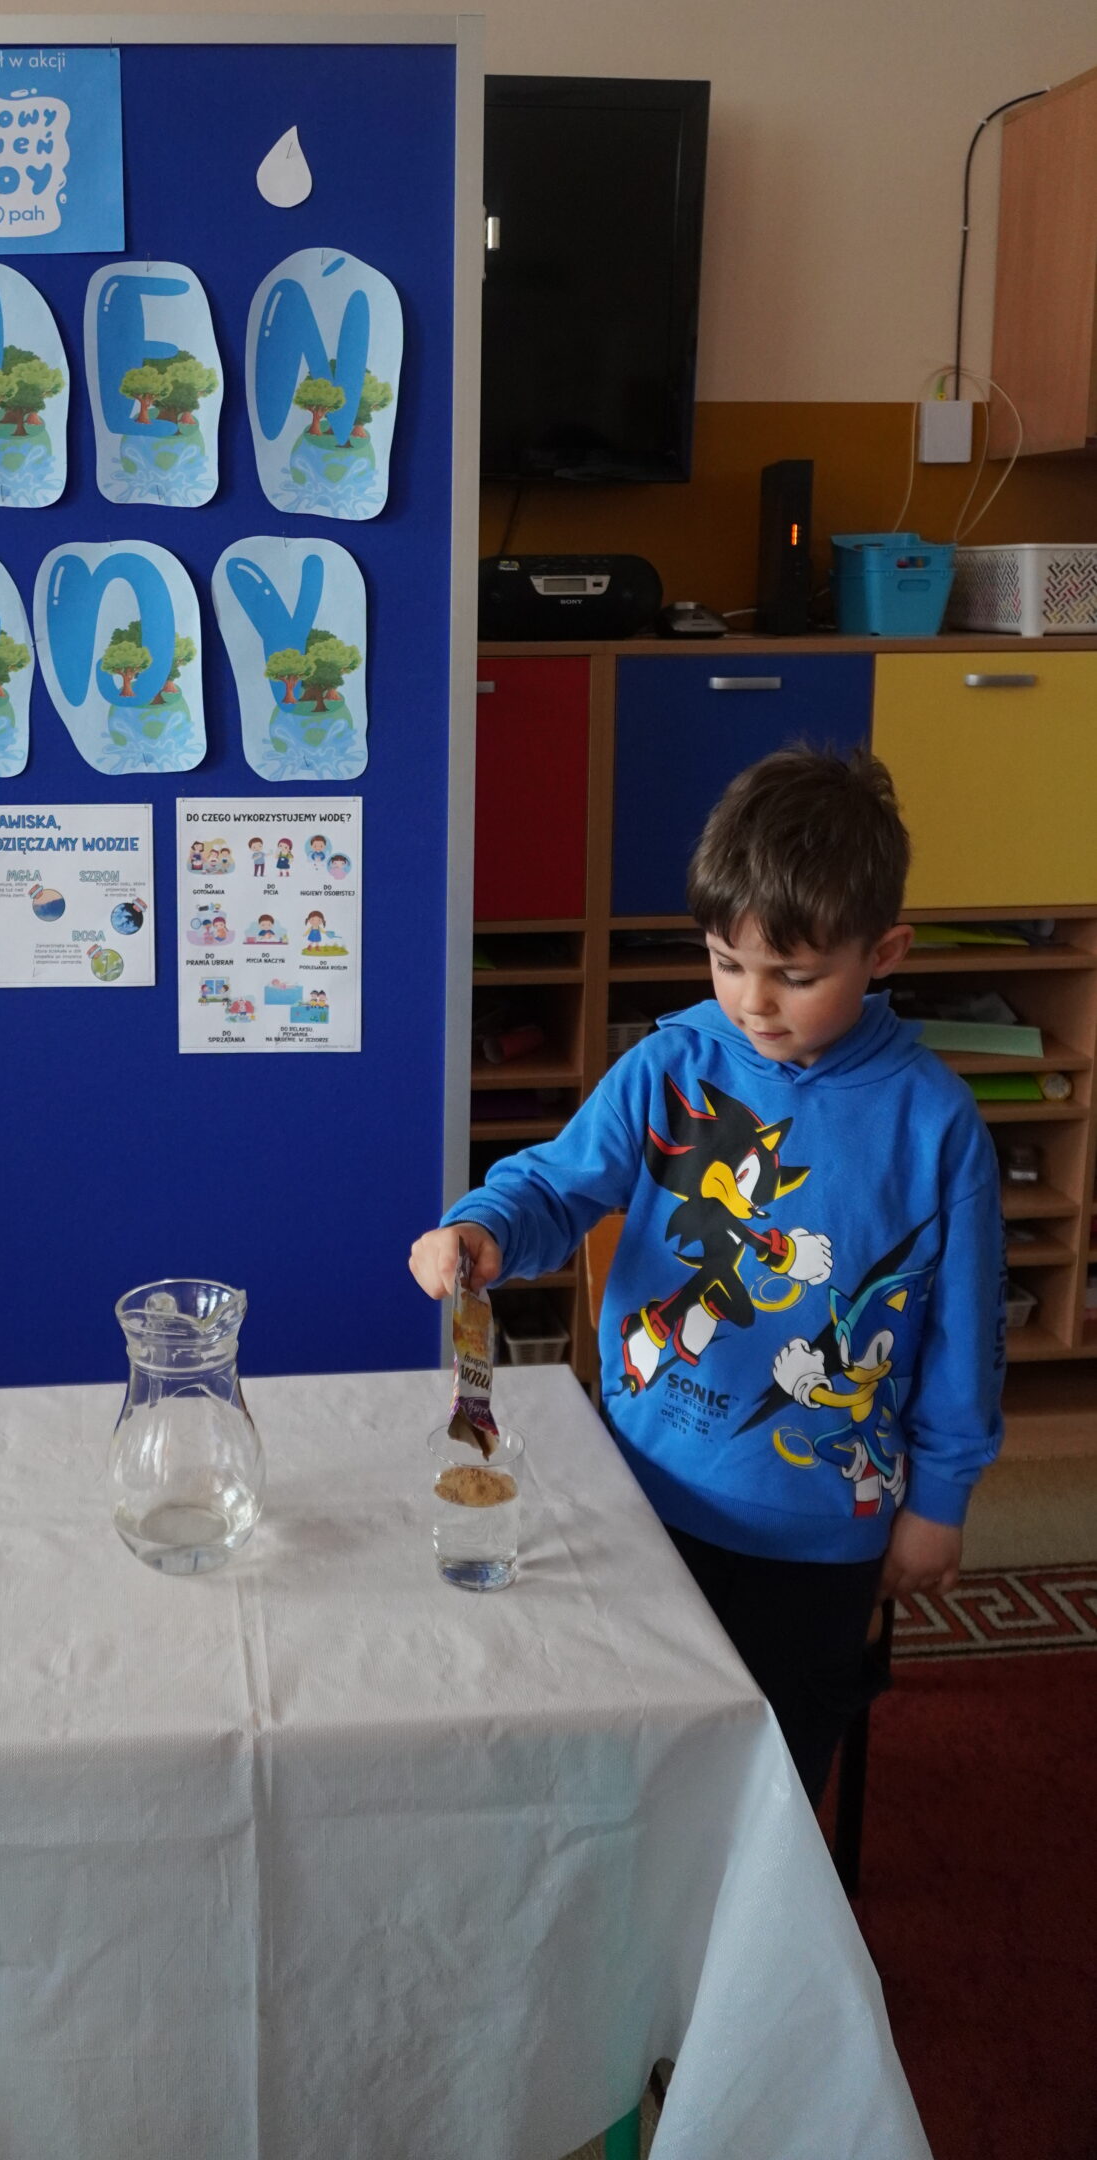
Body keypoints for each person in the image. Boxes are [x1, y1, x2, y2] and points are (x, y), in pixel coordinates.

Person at [409, 746, 1004, 1802]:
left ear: (884, 952)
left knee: (772, 1769)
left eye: (796, 976)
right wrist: (484, 1225)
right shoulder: (669, 1064)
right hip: (642, 1485)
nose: (753, 1002)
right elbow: (555, 1184)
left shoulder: (935, 1123)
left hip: (819, 1529)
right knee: (625, 1741)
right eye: (726, 962)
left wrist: (940, 1501)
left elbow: (966, 1332)